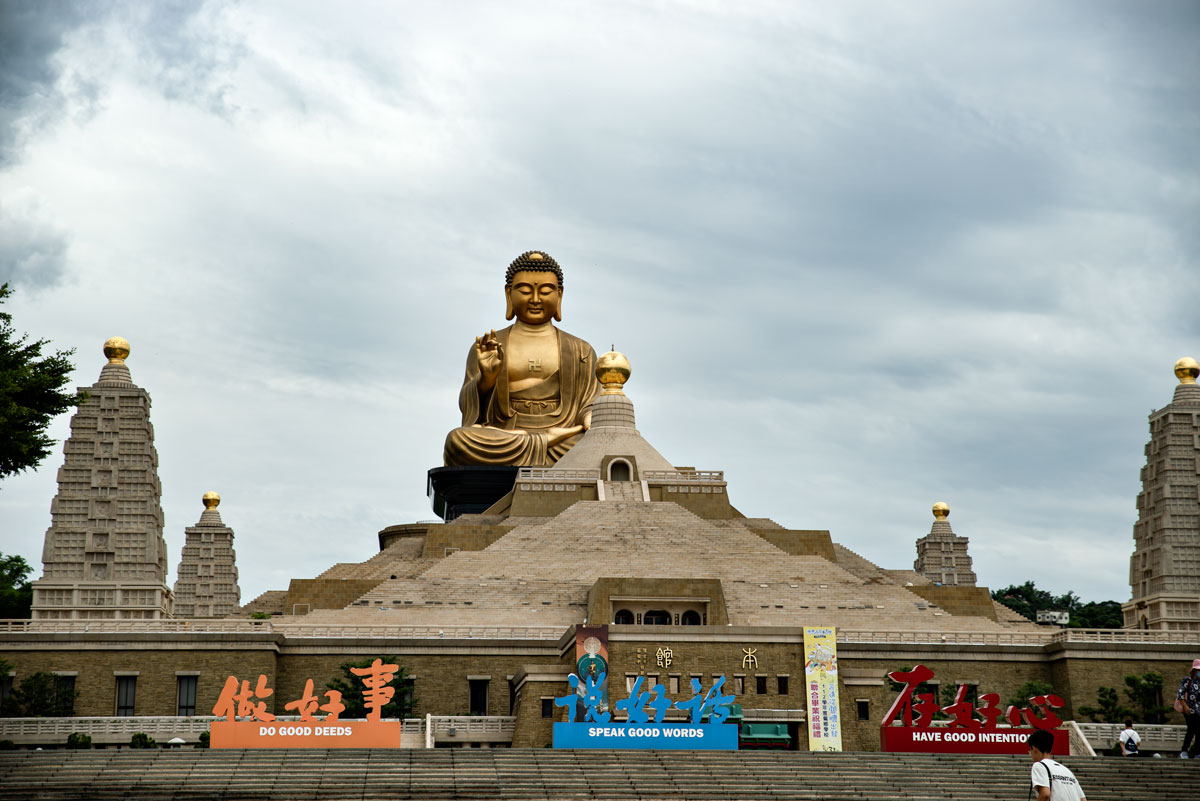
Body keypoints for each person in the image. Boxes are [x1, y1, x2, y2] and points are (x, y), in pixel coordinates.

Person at [443, 251, 599, 467]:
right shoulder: (489, 346)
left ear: (560, 295)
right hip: (506, 434)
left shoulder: (580, 350)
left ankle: (545, 442)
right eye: (525, 291)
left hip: (565, 438)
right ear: (509, 294)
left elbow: (591, 401)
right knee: (458, 441)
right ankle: (543, 442)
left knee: (600, 447)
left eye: (545, 291)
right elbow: (470, 410)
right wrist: (486, 379)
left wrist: (591, 417)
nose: (535, 299)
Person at [1027, 729, 1086, 801]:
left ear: (1034, 748)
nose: (1030, 753)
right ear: (1050, 750)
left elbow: (1045, 795)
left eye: (1030, 750)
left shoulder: (1039, 766)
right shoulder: (1067, 771)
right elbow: (1083, 799)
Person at [1178, 658, 1200, 759]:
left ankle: (1197, 752)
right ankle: (1184, 750)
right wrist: (1185, 706)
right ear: (1194, 670)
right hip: (1190, 710)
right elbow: (1180, 694)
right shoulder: (1187, 680)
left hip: (1199, 711)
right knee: (1191, 730)